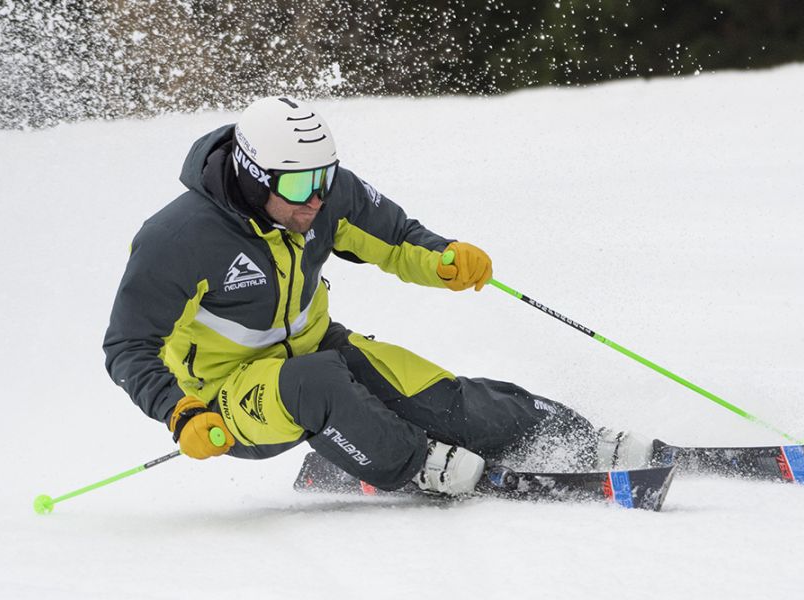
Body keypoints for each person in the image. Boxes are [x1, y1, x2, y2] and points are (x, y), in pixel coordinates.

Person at [104, 96, 649, 496]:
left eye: (325, 177)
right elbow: (128, 345)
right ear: (253, 176)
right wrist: (180, 413)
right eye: (298, 185)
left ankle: (572, 435)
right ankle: (415, 463)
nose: (316, 199)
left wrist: (445, 259)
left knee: (440, 397)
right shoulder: (177, 240)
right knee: (314, 383)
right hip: (227, 400)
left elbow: (396, 238)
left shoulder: (319, 194)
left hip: (320, 350)